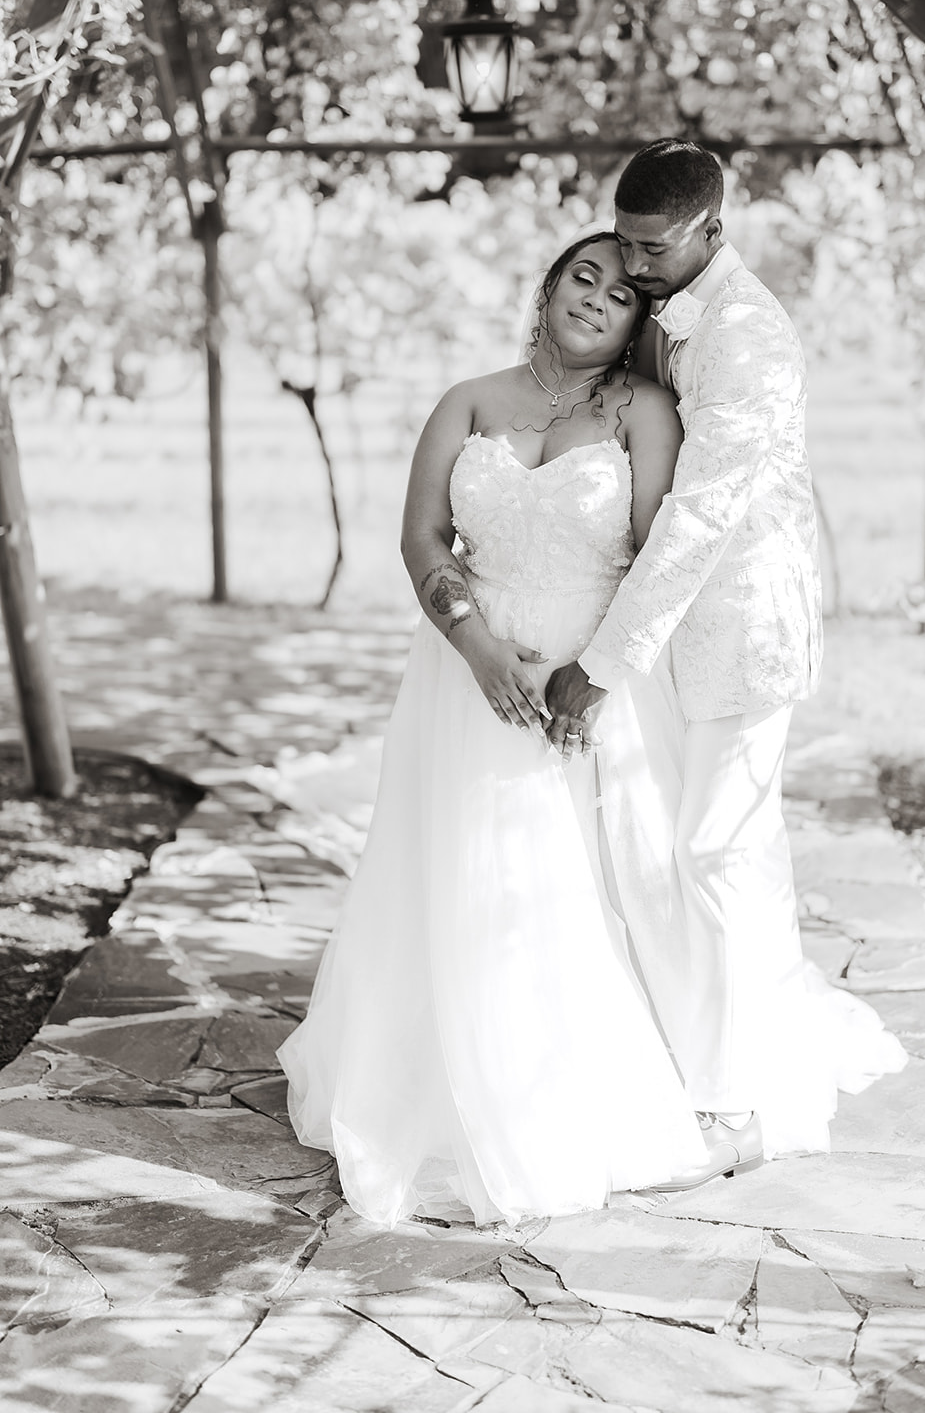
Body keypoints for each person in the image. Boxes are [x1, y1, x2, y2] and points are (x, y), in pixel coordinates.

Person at [278, 230, 718, 1228]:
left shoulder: (645, 412)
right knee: (470, 873)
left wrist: (592, 669)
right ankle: (448, 1070)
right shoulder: (468, 401)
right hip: (465, 672)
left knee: (586, 882)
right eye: (583, 277)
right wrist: (477, 649)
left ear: (639, 322)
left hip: (585, 669)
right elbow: (421, 537)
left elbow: (653, 552)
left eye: (620, 294)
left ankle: (581, 1080)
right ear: (549, 285)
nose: (598, 299)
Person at [547, 141, 906, 1181]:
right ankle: (715, 1051)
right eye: (622, 237)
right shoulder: (661, 301)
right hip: (671, 628)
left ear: (712, 228)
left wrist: (604, 663)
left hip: (743, 627)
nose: (632, 261)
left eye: (652, 246)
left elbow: (703, 518)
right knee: (686, 852)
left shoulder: (747, 339)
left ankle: (745, 1108)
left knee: (720, 851)